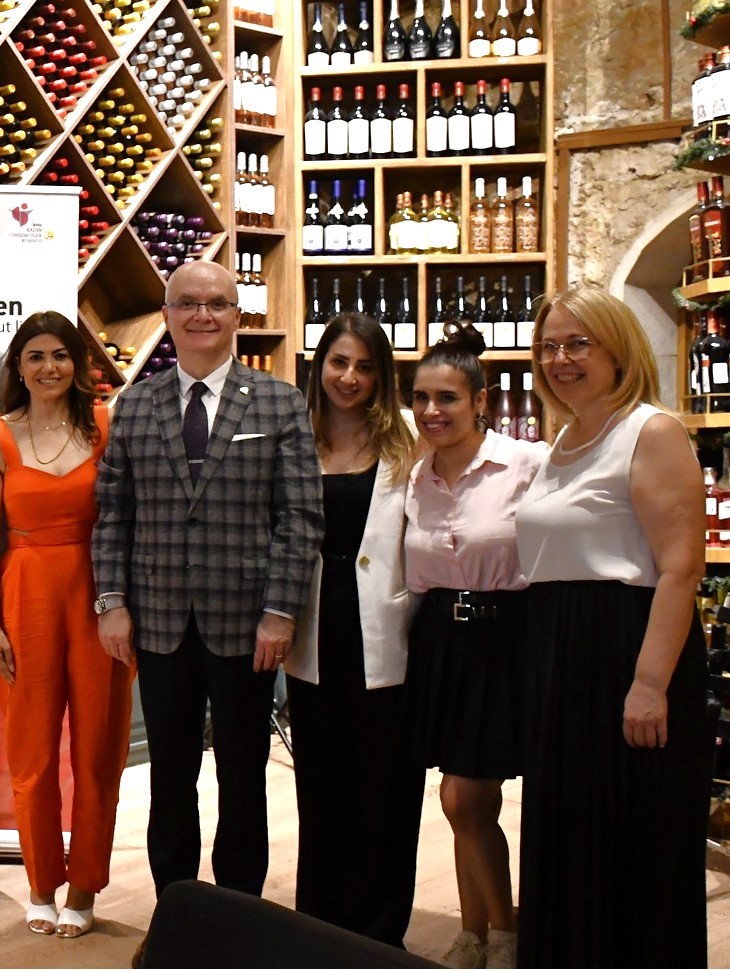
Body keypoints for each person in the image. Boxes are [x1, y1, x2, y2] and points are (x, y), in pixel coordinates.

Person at [93, 259, 323, 902]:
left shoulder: (279, 401)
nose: (203, 315)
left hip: (247, 624)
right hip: (158, 621)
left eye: (217, 303)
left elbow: (300, 517)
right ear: (167, 316)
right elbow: (112, 514)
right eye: (188, 304)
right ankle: (177, 911)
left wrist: (281, 612)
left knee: (243, 776)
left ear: (236, 315)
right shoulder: (134, 405)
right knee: (170, 776)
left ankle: (239, 913)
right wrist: (111, 602)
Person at [514, 287, 710, 967]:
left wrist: (649, 684)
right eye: (549, 346)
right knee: (570, 834)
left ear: (618, 349)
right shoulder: (563, 438)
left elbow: (682, 568)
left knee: (631, 840)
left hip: (625, 649)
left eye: (578, 343)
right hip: (560, 652)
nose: (560, 359)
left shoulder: (651, 431)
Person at [0, 311, 132, 939]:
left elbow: (125, 521)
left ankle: (84, 885)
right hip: (24, 598)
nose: (49, 367)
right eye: (35, 356)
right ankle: (40, 883)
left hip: (98, 599)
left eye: (60, 354)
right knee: (32, 752)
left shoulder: (105, 427)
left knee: (98, 750)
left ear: (80, 362)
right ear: (18, 366)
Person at [402, 323, 547, 969]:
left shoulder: (527, 463)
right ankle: (474, 933)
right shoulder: (414, 476)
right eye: (421, 397)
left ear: (480, 400)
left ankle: (506, 933)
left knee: (462, 797)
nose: (432, 410)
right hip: (440, 639)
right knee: (470, 800)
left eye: (447, 398)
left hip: (505, 637)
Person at [286, 313, 423, 948]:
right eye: (339, 362)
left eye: (365, 366)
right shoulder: (296, 437)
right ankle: (321, 921)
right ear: (319, 366)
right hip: (314, 628)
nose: (350, 377)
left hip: (386, 629)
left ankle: (379, 931)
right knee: (320, 782)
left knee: (385, 784)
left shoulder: (409, 438)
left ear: (382, 376)